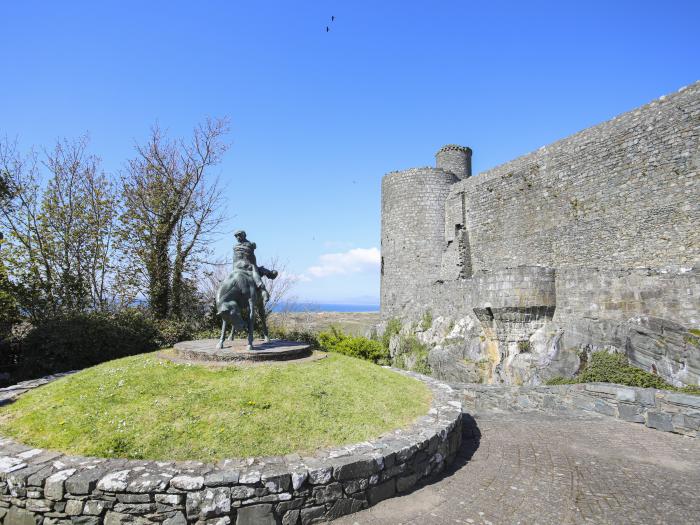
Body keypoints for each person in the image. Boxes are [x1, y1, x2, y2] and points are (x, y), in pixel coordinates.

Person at [233, 230, 269, 302]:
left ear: (244, 235)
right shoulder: (235, 246)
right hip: (237, 267)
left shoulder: (250, 244)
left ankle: (263, 290)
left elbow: (251, 255)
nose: (238, 237)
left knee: (255, 274)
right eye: (236, 236)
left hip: (249, 265)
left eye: (239, 235)